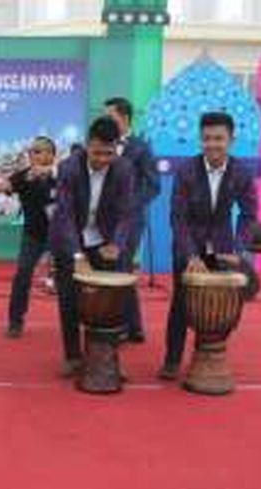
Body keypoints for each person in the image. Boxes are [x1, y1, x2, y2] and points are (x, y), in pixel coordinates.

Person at [158, 112, 258, 380]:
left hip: (223, 248)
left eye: (218, 138)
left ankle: (207, 354)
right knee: (181, 303)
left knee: (222, 304)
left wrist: (239, 250)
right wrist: (191, 254)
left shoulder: (241, 172)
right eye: (206, 138)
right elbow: (177, 217)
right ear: (200, 139)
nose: (212, 144)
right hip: (188, 244)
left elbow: (249, 214)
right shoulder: (186, 171)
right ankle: (172, 360)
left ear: (231, 140)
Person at [49, 117, 135, 377]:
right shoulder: (68, 168)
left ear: (116, 148)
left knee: (112, 303)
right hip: (69, 240)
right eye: (97, 152)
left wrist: (117, 244)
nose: (102, 159)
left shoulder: (124, 169)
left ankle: (105, 360)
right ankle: (73, 357)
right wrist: (76, 254)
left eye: (109, 153)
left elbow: (125, 213)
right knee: (69, 299)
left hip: (104, 241)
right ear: (87, 145)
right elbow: (63, 214)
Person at [0, 136, 58, 338]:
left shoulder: (64, 175)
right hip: (33, 235)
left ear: (51, 154)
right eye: (31, 151)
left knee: (71, 279)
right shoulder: (23, 177)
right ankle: (15, 322)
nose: (31, 155)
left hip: (62, 236)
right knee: (22, 275)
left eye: (37, 151)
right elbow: (0, 187)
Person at [105, 97, 160, 343]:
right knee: (116, 270)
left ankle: (128, 327)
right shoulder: (103, 145)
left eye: (111, 116)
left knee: (122, 269)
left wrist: (132, 205)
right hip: (105, 220)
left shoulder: (141, 147)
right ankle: (132, 327)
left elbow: (154, 185)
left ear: (125, 118)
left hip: (130, 221)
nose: (107, 120)